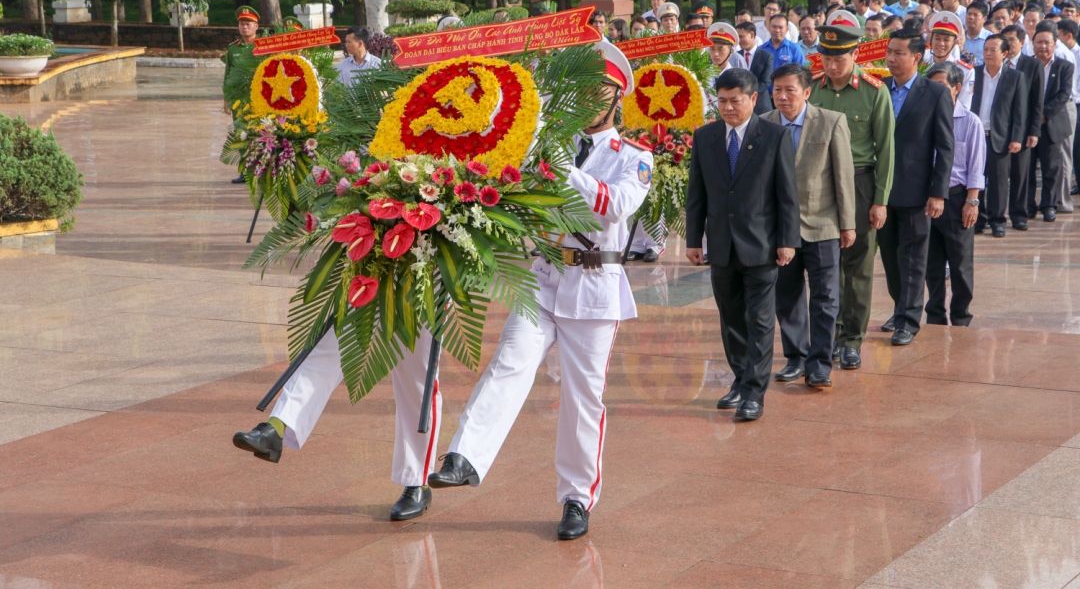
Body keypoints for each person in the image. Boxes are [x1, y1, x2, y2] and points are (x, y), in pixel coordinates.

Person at [427, 41, 652, 542]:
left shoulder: (633, 158)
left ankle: (576, 497)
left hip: (595, 287)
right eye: (581, 89)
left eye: (599, 90)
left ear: (618, 96)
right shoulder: (550, 142)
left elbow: (610, 207)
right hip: (546, 276)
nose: (588, 98)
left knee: (582, 398)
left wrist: (555, 168)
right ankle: (465, 455)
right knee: (510, 360)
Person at [685, 68, 800, 420]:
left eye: (735, 100)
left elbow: (787, 195)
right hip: (721, 245)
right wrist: (693, 239)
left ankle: (754, 394)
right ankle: (740, 379)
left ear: (753, 98)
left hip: (761, 245)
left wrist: (787, 240)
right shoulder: (705, 137)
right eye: (721, 101)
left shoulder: (774, 136)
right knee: (731, 318)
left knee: (761, 321)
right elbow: (697, 194)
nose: (728, 108)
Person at [233, 335, 445, 524]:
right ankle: (276, 427)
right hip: (370, 288)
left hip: (425, 292)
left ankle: (418, 480)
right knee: (334, 341)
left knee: (416, 377)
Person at [807, 14, 894, 370]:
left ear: (855, 54)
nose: (832, 65)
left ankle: (853, 339)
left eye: (839, 58)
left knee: (857, 264)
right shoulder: (812, 88)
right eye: (826, 58)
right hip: (819, 184)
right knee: (825, 263)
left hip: (859, 182)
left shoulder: (875, 91)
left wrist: (880, 200)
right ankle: (829, 334)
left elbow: (887, 149)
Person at [764, 64, 855, 388]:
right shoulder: (764, 125)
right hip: (780, 229)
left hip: (823, 223)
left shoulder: (831, 122)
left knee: (825, 296)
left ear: (806, 92)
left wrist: (847, 224)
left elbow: (843, 176)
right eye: (777, 90)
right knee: (786, 296)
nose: (783, 96)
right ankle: (795, 357)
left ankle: (819, 363)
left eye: (790, 90)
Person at [878, 29, 954, 345]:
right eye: (889, 52)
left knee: (913, 258)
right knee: (890, 258)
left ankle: (909, 320)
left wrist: (938, 192)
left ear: (916, 57)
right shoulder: (878, 88)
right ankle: (900, 308)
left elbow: (945, 147)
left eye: (898, 53)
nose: (891, 58)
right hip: (880, 192)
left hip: (917, 191)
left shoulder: (934, 93)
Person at [924, 62, 985, 327]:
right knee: (931, 264)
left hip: (957, 198)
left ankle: (961, 314)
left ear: (956, 88)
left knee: (960, 263)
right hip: (926, 200)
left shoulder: (970, 122)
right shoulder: (923, 120)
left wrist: (972, 201)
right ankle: (935, 314)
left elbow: (975, 165)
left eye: (941, 87)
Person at [971, 34, 1029, 237]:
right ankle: (978, 219)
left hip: (1000, 136)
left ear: (1004, 53)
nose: (987, 53)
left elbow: (1020, 111)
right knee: (976, 179)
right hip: (976, 135)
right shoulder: (973, 73)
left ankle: (997, 221)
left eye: (993, 50)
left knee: (998, 181)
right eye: (985, 49)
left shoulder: (1015, 77)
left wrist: (1016, 138)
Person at [1027, 21, 1076, 221]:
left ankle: (1049, 205)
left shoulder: (1064, 66)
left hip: (1051, 123)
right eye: (1039, 42)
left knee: (1051, 168)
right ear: (1033, 43)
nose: (1043, 47)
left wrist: (1044, 114)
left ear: (1055, 44)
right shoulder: (1026, 64)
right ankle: (1028, 205)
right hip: (1029, 125)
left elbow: (1064, 94)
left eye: (1047, 43)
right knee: (1027, 168)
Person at [1001, 24, 1045, 230]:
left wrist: (1034, 131)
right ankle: (995, 215)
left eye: (1011, 40)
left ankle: (1019, 214)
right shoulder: (996, 63)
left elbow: (1037, 101)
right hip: (998, 127)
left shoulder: (1033, 65)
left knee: (1021, 173)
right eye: (1005, 40)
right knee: (998, 174)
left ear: (1021, 42)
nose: (1008, 44)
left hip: (1023, 128)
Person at [224, 6, 260, 184]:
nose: (244, 27)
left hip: (259, 99)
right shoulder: (232, 50)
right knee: (241, 134)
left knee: (260, 134)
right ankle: (245, 172)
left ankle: (261, 171)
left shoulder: (263, 47)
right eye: (241, 24)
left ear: (256, 26)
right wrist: (226, 99)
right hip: (239, 100)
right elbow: (228, 75)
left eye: (248, 24)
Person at [1053, 19, 1080, 210]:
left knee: (1067, 152)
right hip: (1064, 104)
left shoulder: (1064, 54)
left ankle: (1062, 200)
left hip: (1069, 104)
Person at [924, 11, 975, 108]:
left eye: (946, 40)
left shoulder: (966, 71)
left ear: (955, 42)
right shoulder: (921, 63)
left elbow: (964, 105)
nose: (941, 43)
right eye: (937, 38)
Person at [732, 21, 773, 114]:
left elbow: (765, 82)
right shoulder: (736, 56)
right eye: (737, 37)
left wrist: (746, 93)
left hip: (760, 106)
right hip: (740, 106)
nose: (739, 40)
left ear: (751, 34)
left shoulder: (766, 56)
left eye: (741, 36)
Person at [963, 0, 991, 65]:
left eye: (976, 15)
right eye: (969, 14)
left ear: (984, 19)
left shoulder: (990, 38)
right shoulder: (960, 37)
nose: (971, 17)